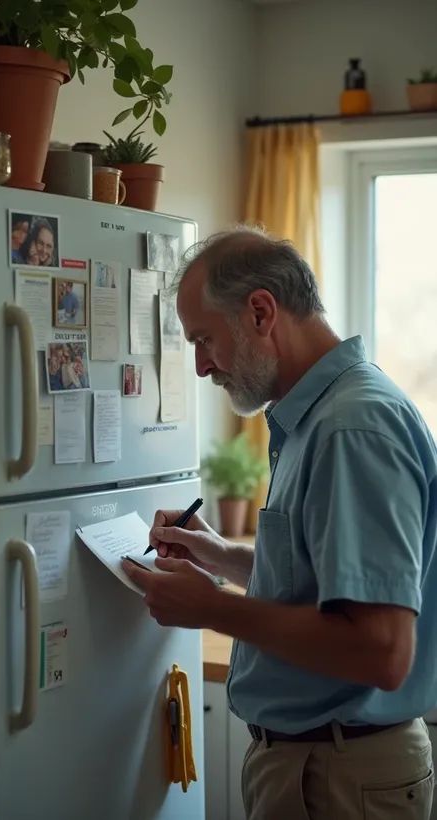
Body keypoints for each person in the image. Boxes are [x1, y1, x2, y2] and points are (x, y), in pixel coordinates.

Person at [123, 226, 437, 820]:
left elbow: (381, 650)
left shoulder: (351, 428)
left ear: (261, 312)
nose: (199, 366)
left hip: (339, 777)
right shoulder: (318, 418)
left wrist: (213, 609)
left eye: (204, 339)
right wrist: (217, 555)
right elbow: (323, 585)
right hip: (324, 769)